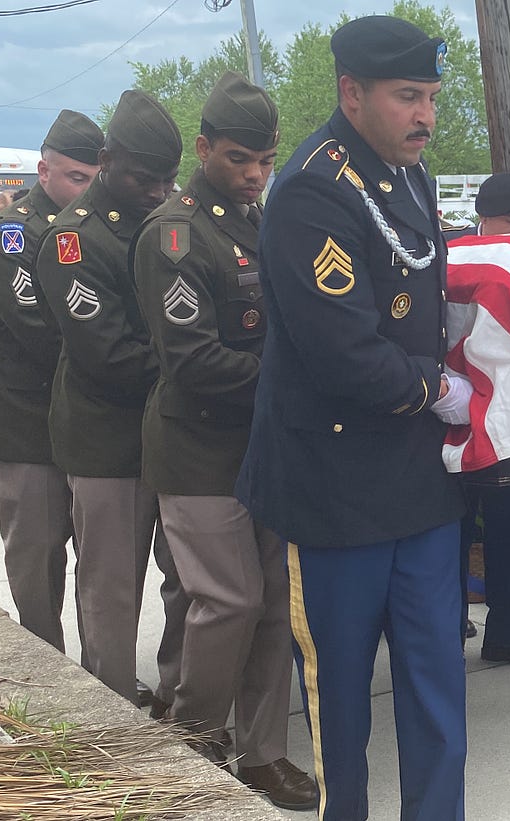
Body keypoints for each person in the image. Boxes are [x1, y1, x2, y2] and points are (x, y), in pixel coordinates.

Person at [235, 16, 468, 819]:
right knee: (341, 702)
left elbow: (418, 291)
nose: (426, 116)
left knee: (438, 683)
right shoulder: (312, 188)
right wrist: (437, 388)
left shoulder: (409, 173)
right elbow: (342, 351)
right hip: (335, 488)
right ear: (351, 92)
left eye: (432, 97)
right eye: (409, 97)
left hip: (416, 480)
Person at [131, 72, 317, 810]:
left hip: (261, 443)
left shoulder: (257, 220)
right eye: (240, 158)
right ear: (203, 147)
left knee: (275, 602)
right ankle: (197, 736)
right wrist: (296, 379)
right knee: (229, 600)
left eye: (266, 161)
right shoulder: (173, 235)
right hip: (199, 451)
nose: (254, 174)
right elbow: (193, 360)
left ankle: (263, 751)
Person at [38, 90, 189, 709]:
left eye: (167, 180)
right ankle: (112, 704)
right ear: (105, 160)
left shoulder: (173, 219)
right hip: (110, 438)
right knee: (111, 585)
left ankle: (185, 697)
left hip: (178, 433)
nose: (157, 191)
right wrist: (195, 362)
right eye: (142, 178)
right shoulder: (74, 241)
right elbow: (110, 357)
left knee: (188, 579)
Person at [0, 110, 102, 652]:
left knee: (100, 564)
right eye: (76, 177)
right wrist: (110, 357)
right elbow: (38, 329)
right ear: (43, 171)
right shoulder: (13, 234)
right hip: (27, 425)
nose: (86, 189)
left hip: (82, 423)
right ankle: (49, 677)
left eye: (94, 177)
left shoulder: (91, 229)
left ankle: (98, 674)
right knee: (37, 558)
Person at [445, 172, 510, 668]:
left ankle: (507, 631)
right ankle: (446, 624)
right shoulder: (452, 258)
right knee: (452, 527)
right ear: (484, 216)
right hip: (454, 412)